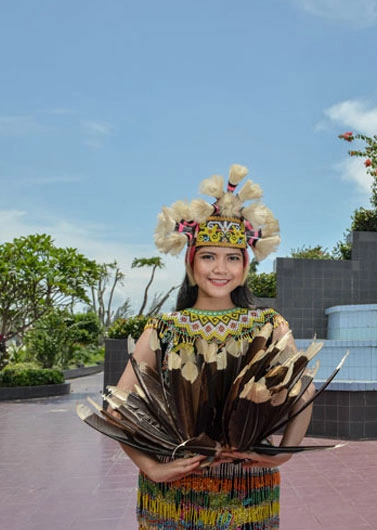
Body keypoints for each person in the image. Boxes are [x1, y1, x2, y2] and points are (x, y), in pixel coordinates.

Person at [115, 164, 315, 529]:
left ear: (245, 265)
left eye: (232, 257)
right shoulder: (164, 328)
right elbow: (118, 406)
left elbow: (305, 390)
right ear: (191, 262)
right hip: (173, 499)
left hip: (249, 490)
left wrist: (283, 455)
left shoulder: (269, 324)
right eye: (209, 256)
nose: (220, 268)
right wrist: (151, 468)